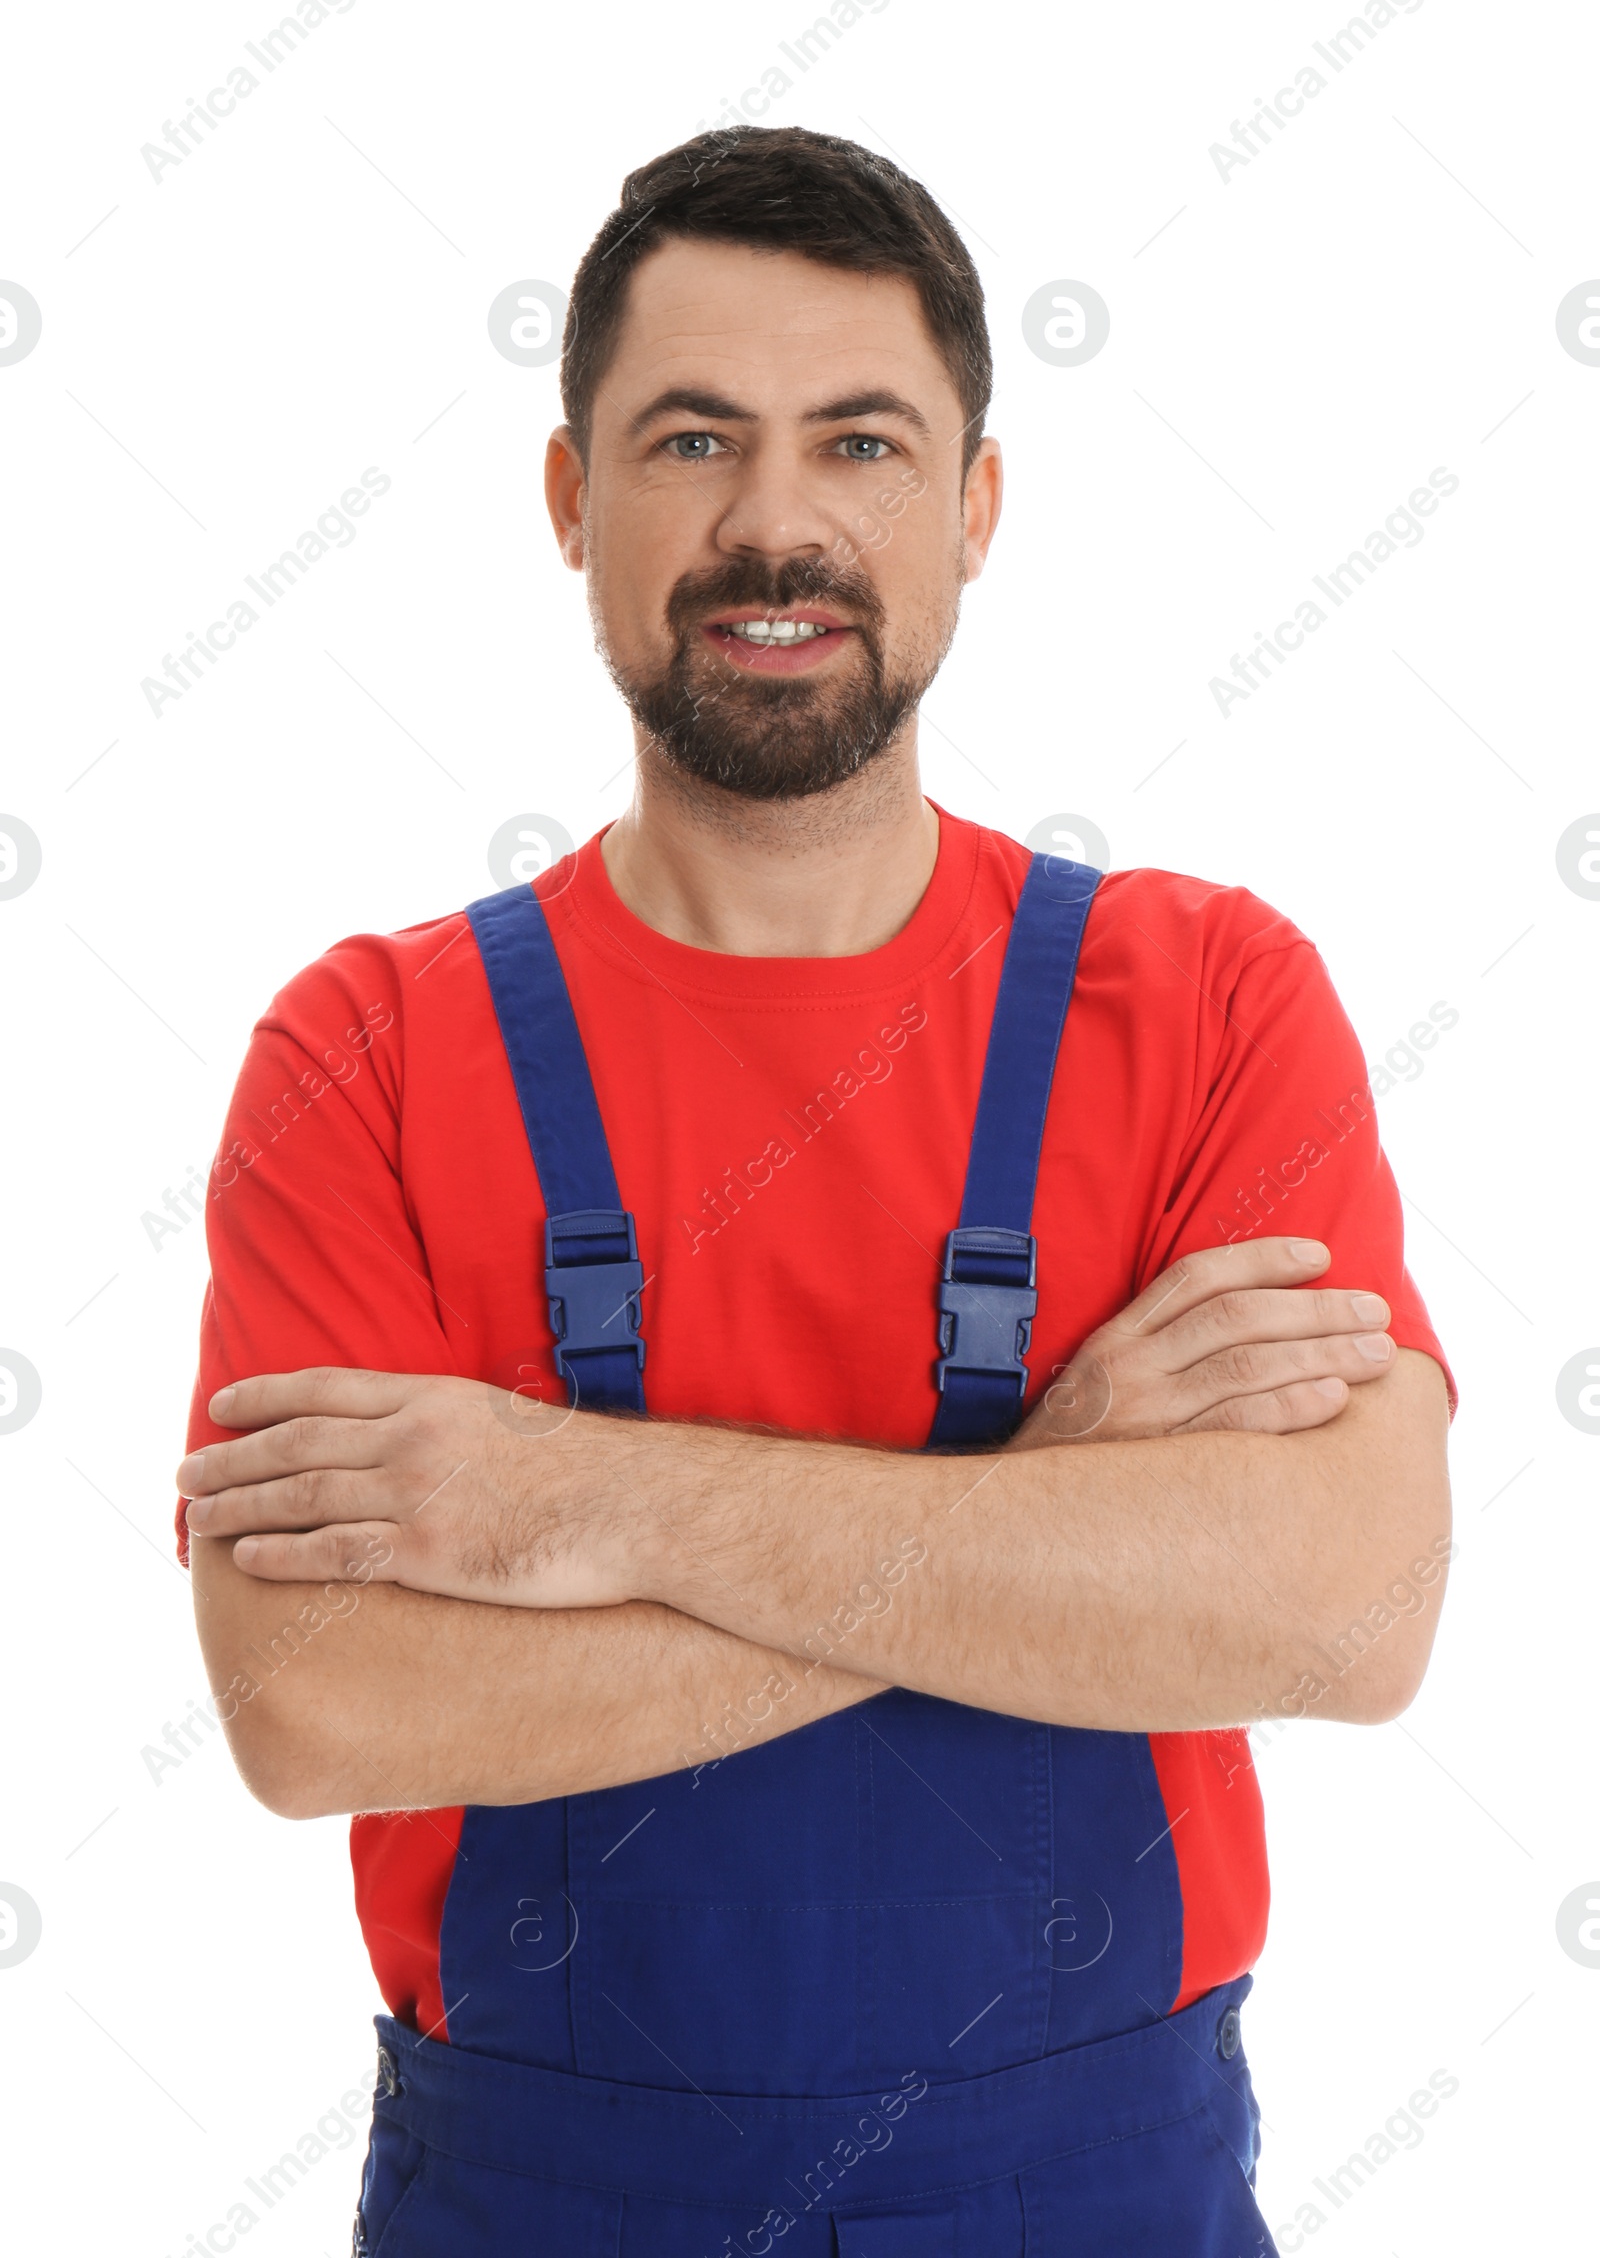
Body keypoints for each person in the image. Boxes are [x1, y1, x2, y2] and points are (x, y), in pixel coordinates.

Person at [174, 126, 1455, 2257]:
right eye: (689, 440)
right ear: (572, 499)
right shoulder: (369, 1053)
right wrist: (1049, 1516)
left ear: (969, 504)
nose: (773, 525)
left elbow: (1340, 1607)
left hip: (1090, 2195)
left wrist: (569, 1508)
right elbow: (311, 1701)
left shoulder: (1213, 998)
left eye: (857, 442)